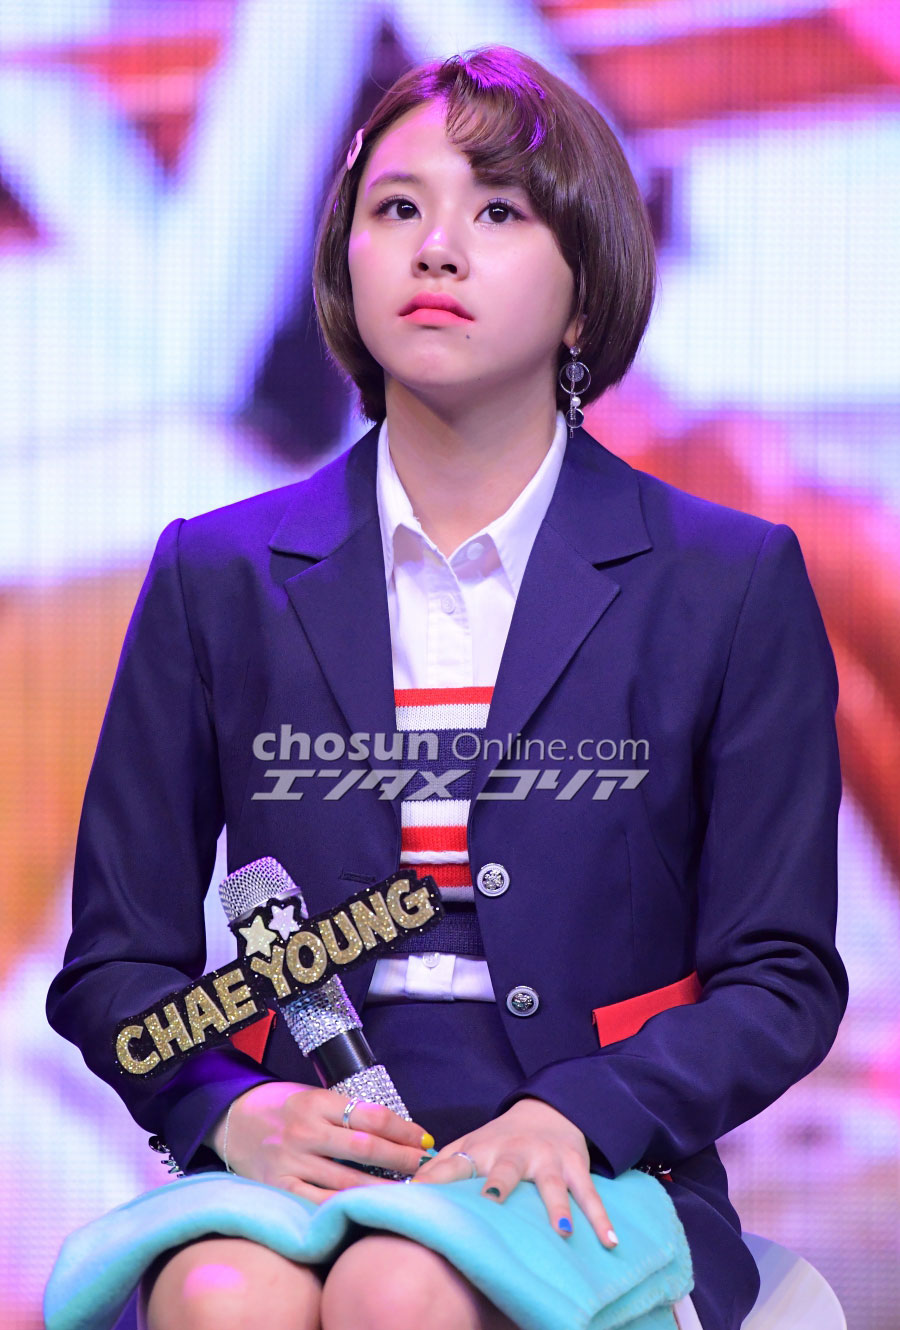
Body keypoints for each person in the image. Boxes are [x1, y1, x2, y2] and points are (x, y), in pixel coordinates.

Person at [45, 44, 848, 1330]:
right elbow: (116, 967)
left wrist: (583, 1111)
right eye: (398, 207)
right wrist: (228, 1108)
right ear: (345, 265)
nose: (436, 247)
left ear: (586, 290)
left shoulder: (726, 578)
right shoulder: (216, 572)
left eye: (500, 211)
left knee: (397, 1287)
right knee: (216, 1293)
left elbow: (781, 975)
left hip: (596, 1154)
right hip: (297, 1148)